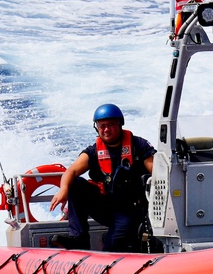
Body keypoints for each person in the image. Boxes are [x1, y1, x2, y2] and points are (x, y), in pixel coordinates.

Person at [49, 104, 155, 252]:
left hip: (130, 210)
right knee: (76, 183)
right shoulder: (93, 151)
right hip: (105, 206)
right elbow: (71, 171)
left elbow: (157, 172)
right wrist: (63, 190)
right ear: (97, 128)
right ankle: (78, 239)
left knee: (112, 249)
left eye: (110, 125)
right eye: (102, 126)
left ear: (120, 124)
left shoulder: (138, 145)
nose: (106, 130)